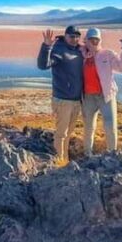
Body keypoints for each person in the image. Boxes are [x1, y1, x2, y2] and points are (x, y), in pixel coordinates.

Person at [80, 27, 122, 156]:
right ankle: (87, 154)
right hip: (88, 97)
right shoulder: (81, 55)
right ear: (86, 40)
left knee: (110, 127)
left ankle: (112, 155)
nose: (94, 42)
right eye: (91, 40)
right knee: (88, 127)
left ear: (100, 40)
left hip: (106, 96)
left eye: (97, 40)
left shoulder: (107, 54)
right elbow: (70, 44)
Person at [37, 25, 85, 162]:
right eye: (72, 36)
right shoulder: (58, 49)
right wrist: (46, 47)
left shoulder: (79, 50)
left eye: (77, 36)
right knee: (61, 134)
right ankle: (59, 162)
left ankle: (66, 160)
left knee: (68, 133)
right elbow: (43, 65)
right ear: (66, 36)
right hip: (63, 100)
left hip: (76, 100)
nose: (74, 39)